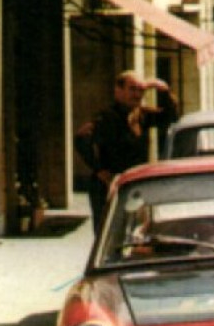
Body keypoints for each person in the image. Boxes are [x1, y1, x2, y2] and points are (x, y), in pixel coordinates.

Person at [74, 70, 179, 234]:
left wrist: (162, 88)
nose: (137, 94)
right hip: (109, 187)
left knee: (135, 233)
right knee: (108, 234)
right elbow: (81, 138)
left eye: (140, 90)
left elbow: (170, 116)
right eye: (132, 89)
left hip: (134, 184)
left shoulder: (141, 115)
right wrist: (98, 168)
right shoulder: (106, 117)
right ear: (118, 90)